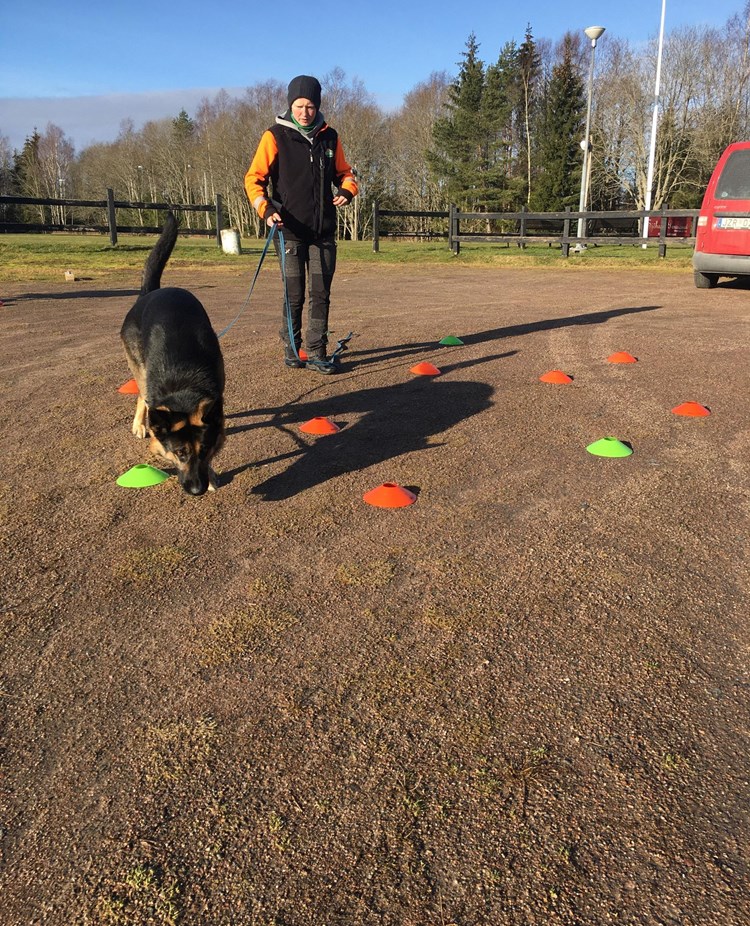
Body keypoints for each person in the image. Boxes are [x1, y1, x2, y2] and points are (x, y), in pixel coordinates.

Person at [244, 75, 358, 373]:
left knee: (320, 294)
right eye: (299, 105)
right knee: (293, 294)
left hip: (323, 232)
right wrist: (264, 208)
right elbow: (254, 179)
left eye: (310, 106)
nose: (304, 111)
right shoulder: (274, 136)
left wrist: (347, 190)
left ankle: (317, 350)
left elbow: (346, 174)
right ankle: (293, 349)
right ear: (290, 105)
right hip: (289, 231)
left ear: (317, 106)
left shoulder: (330, 136)